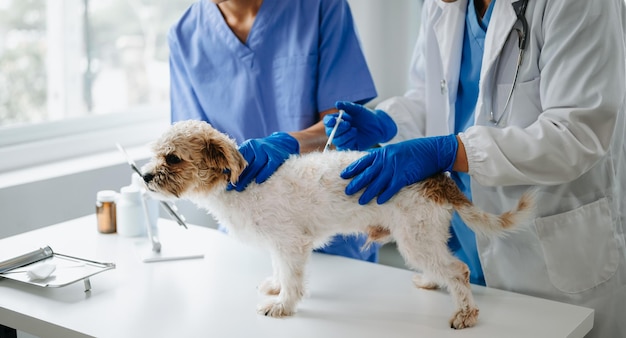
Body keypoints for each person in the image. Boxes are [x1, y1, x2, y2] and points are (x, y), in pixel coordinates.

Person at [321, 0, 626, 336]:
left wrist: (452, 150)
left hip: (548, 255)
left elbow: (575, 134)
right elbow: (431, 95)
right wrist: (386, 121)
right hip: (466, 244)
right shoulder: (444, 6)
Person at [168, 0, 380, 262]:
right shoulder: (184, 35)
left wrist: (288, 143)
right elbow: (192, 152)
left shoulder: (321, 7)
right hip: (244, 235)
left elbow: (340, 127)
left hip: (332, 225)